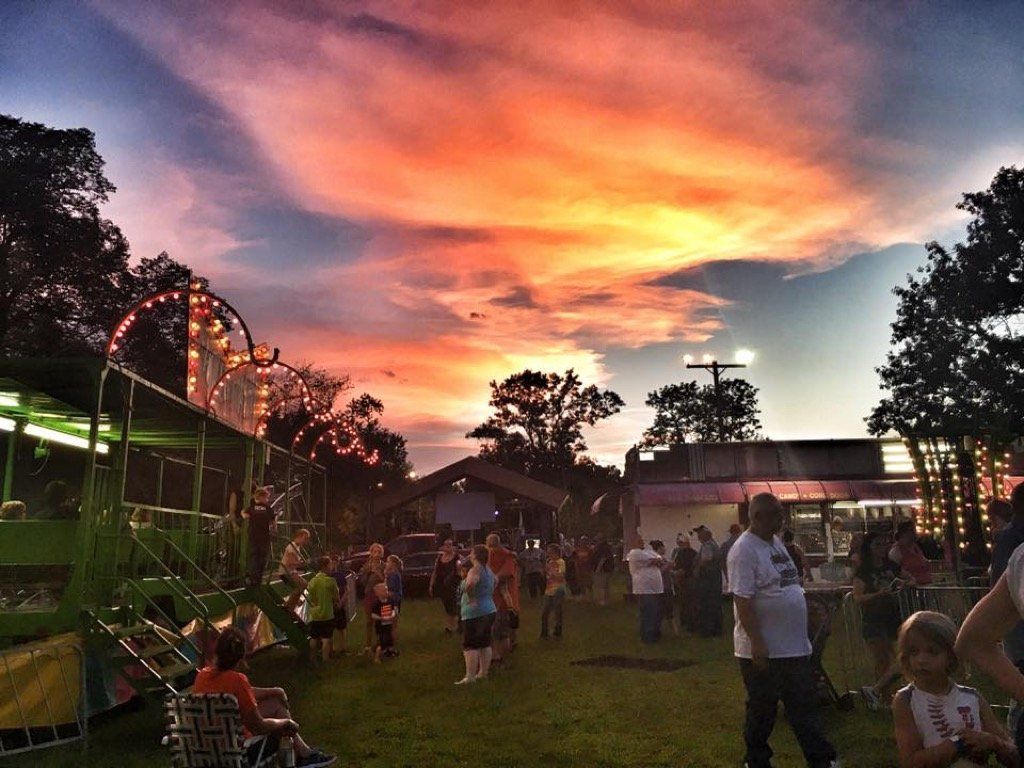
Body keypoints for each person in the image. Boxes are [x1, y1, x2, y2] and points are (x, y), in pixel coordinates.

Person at [727, 492, 838, 768]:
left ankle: (821, 759)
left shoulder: (774, 542)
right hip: (766, 648)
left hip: (793, 646)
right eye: (776, 514)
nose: (782, 518)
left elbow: (786, 584)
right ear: (757, 516)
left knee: (804, 705)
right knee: (763, 708)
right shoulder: (744, 550)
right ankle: (756, 759)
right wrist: (757, 643)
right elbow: (743, 599)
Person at [192, 627, 335, 767]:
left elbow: (244, 691)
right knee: (282, 727)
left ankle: (304, 754)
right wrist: (284, 722)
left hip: (206, 751)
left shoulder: (202, 676)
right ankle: (303, 756)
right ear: (241, 656)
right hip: (240, 753)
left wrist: (275, 691)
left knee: (274, 704)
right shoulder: (236, 680)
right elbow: (259, 726)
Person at [894, 611, 1019, 768]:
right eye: (914, 651)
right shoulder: (906, 700)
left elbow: (1014, 755)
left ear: (951, 655)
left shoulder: (972, 697)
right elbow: (910, 761)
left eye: (932, 651)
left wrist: (993, 742)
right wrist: (957, 745)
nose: (921, 660)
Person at [853, 531, 904, 710]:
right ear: (869, 548)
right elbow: (858, 597)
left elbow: (906, 577)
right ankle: (882, 696)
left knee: (901, 658)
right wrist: (877, 595)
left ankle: (877, 691)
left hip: (893, 617)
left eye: (883, 544)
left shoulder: (891, 566)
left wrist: (907, 583)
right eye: (877, 545)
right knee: (882, 659)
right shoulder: (864, 571)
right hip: (874, 618)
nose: (881, 548)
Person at [457, 545, 496, 685]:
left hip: (475, 613)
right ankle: (483, 673)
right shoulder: (489, 570)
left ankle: (470, 676)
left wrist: (472, 598)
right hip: (489, 609)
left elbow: (469, 585)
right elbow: (495, 582)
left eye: (472, 552)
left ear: (475, 555)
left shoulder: (475, 569)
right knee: (485, 643)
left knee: (470, 645)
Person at [486, 533, 519, 663]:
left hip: (502, 601)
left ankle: (500, 656)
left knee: (499, 630)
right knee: (495, 629)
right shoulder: (489, 555)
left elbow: (506, 574)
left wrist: (491, 580)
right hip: (492, 600)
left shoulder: (507, 556)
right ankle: (498, 655)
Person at [626, 536, 664, 643]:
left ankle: (654, 634)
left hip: (655, 589)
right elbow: (655, 560)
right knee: (648, 612)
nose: (642, 542)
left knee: (655, 612)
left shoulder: (647, 552)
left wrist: (657, 560)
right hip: (644, 589)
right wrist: (656, 560)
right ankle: (648, 636)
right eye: (638, 541)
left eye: (642, 541)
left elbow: (659, 559)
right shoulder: (635, 553)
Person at [305, 556, 341, 663]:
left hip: (315, 614)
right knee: (326, 637)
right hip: (327, 613)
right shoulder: (330, 581)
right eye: (330, 565)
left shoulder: (312, 581)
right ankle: (326, 659)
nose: (331, 567)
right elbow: (336, 597)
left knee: (314, 637)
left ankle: (313, 658)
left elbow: (310, 597)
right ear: (325, 566)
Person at [694, 525, 723, 637]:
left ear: (706, 535)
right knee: (715, 604)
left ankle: (708, 630)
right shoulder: (713, 544)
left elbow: (706, 560)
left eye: (700, 534)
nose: (698, 536)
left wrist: (697, 569)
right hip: (714, 577)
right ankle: (716, 629)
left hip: (708, 578)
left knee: (707, 604)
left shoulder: (707, 545)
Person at [242, 486, 274, 587]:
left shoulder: (252, 507)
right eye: (266, 498)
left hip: (253, 535)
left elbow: (244, 515)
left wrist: (246, 513)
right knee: (262, 558)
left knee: (253, 556)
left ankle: (251, 578)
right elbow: (273, 521)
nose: (267, 500)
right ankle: (258, 579)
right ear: (262, 497)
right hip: (264, 536)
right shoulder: (267, 508)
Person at [429, 538, 460, 633]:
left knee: (454, 606)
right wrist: (431, 584)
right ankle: (450, 626)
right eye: (446, 545)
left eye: (450, 545)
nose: (447, 547)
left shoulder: (457, 558)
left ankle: (454, 627)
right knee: (447, 606)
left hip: (453, 586)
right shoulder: (439, 558)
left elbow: (460, 572)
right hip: (442, 586)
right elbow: (435, 572)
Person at [889, 520, 933, 586]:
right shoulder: (896, 551)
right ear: (904, 532)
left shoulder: (916, 547)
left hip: (925, 586)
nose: (915, 533)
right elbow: (894, 572)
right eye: (912, 530)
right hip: (911, 589)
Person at [359, 543, 386, 653]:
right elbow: (362, 582)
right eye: (374, 551)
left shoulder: (384, 565)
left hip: (380, 595)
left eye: (379, 552)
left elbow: (385, 579)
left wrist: (377, 572)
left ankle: (380, 644)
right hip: (369, 594)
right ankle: (368, 645)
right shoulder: (367, 565)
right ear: (371, 553)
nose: (376, 554)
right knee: (369, 621)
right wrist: (367, 573)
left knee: (381, 620)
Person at [671, 534, 699, 632]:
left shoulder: (682, 554)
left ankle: (688, 624)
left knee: (685, 603)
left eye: (679, 543)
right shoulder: (695, 553)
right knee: (691, 603)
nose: (678, 545)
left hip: (684, 580)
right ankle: (692, 623)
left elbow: (681, 569)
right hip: (693, 580)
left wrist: (674, 575)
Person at [279, 529, 311, 611]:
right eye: (305, 538)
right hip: (286, 572)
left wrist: (301, 562)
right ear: (299, 536)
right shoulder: (292, 546)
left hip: (291, 571)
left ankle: (293, 604)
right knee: (303, 584)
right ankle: (288, 605)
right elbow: (290, 563)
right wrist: (302, 563)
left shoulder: (297, 547)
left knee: (303, 585)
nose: (306, 541)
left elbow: (294, 562)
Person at [540, 543, 567, 639]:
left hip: (558, 589)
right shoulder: (549, 561)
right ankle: (544, 632)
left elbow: (560, 577)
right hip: (549, 589)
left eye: (550, 552)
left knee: (557, 611)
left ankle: (557, 632)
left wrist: (551, 570)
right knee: (544, 612)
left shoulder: (561, 562)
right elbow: (546, 576)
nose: (548, 553)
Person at [651, 540, 676, 635]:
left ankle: (674, 631)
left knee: (670, 610)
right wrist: (668, 566)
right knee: (660, 611)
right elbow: (657, 573)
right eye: (663, 547)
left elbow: (669, 571)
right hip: (661, 588)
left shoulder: (663, 559)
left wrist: (675, 572)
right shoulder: (655, 559)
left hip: (667, 586)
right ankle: (657, 630)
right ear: (659, 548)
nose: (664, 549)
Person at [369, 581, 398, 663]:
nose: (386, 592)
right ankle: (376, 657)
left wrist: (392, 615)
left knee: (390, 640)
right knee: (382, 642)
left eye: (386, 590)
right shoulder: (377, 604)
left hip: (388, 625)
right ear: (377, 593)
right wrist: (381, 618)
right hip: (380, 627)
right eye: (384, 591)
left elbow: (393, 610)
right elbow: (373, 615)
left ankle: (389, 652)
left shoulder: (390, 601)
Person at [326, 554, 348, 656]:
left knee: (342, 627)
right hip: (329, 605)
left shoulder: (340, 575)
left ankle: (343, 648)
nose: (334, 563)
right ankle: (331, 649)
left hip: (339, 604)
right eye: (332, 561)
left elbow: (346, 590)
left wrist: (341, 602)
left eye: (336, 561)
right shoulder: (325, 576)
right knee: (330, 628)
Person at [385, 554, 403, 648]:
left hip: (392, 602)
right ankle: (390, 644)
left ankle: (391, 645)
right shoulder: (394, 573)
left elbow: (390, 590)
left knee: (391, 624)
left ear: (393, 564)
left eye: (388, 562)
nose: (386, 564)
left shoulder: (393, 575)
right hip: (395, 601)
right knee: (392, 624)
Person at [720, 523, 744, 594]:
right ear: (739, 531)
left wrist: (727, 575)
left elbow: (722, 561)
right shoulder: (745, 543)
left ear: (731, 532)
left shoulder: (725, 545)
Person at [592, 534, 615, 606]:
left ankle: (602, 601)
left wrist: (598, 568)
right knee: (606, 585)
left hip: (603, 569)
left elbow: (603, 558)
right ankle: (606, 600)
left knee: (601, 585)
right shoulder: (607, 547)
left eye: (596, 540)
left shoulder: (602, 548)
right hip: (608, 569)